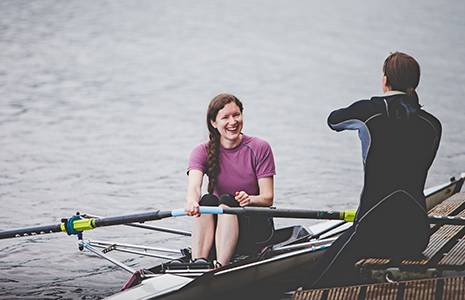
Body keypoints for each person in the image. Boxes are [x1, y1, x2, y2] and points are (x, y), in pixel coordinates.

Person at [302, 52, 442, 289]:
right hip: (416, 234)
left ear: (385, 80)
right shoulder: (433, 124)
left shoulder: (369, 111)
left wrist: (372, 105)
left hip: (373, 228)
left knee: (311, 285)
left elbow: (333, 120)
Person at [184, 93, 276, 267]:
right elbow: (194, 187)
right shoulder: (201, 152)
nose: (232, 122)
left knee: (227, 200)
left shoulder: (260, 147)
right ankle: (199, 261)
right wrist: (191, 202)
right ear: (214, 122)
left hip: (254, 229)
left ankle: (221, 266)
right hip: (222, 229)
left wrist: (250, 199)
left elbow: (268, 197)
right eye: (225, 117)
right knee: (206, 200)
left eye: (236, 115)